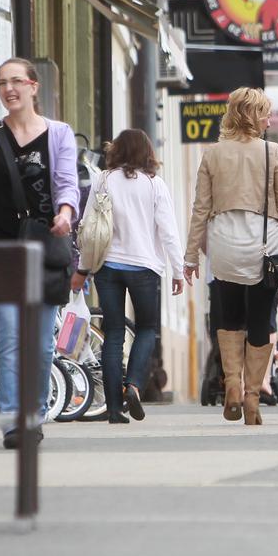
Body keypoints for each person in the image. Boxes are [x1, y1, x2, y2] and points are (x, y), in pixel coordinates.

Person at [0, 58, 79, 449]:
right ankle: (12, 422)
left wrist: (65, 213)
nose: (9, 89)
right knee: (9, 338)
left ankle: (34, 415)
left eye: (16, 82)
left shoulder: (58, 134)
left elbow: (67, 183)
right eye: (1, 84)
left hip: (43, 249)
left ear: (33, 86)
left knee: (41, 344)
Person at [184, 87, 278, 425]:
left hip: (222, 247)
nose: (268, 119)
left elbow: (200, 210)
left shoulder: (212, 153)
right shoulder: (272, 152)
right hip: (262, 248)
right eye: (265, 112)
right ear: (253, 116)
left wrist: (191, 256)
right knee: (260, 321)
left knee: (229, 317)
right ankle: (251, 398)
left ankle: (231, 384)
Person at [71, 129, 184, 424]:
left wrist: (83, 269)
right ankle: (132, 384)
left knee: (114, 334)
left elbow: (88, 228)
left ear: (117, 151)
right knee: (146, 329)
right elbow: (168, 232)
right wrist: (178, 270)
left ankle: (112, 409)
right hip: (144, 268)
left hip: (108, 267)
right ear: (147, 152)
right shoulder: (154, 184)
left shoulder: (103, 180)